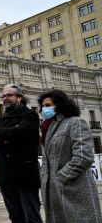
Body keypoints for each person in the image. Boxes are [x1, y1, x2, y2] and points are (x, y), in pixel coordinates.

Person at [38, 89, 102, 223]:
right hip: (53, 192)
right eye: (43, 106)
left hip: (74, 189)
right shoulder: (47, 128)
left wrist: (61, 177)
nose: (44, 109)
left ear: (60, 105)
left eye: (48, 105)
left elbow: (84, 156)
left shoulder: (75, 122)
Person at [0, 84, 42, 223]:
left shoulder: (30, 115)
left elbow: (20, 132)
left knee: (31, 216)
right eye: (3, 96)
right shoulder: (2, 118)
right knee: (15, 216)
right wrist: (6, 137)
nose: (5, 98)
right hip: (5, 173)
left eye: (9, 95)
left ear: (20, 98)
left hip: (25, 173)